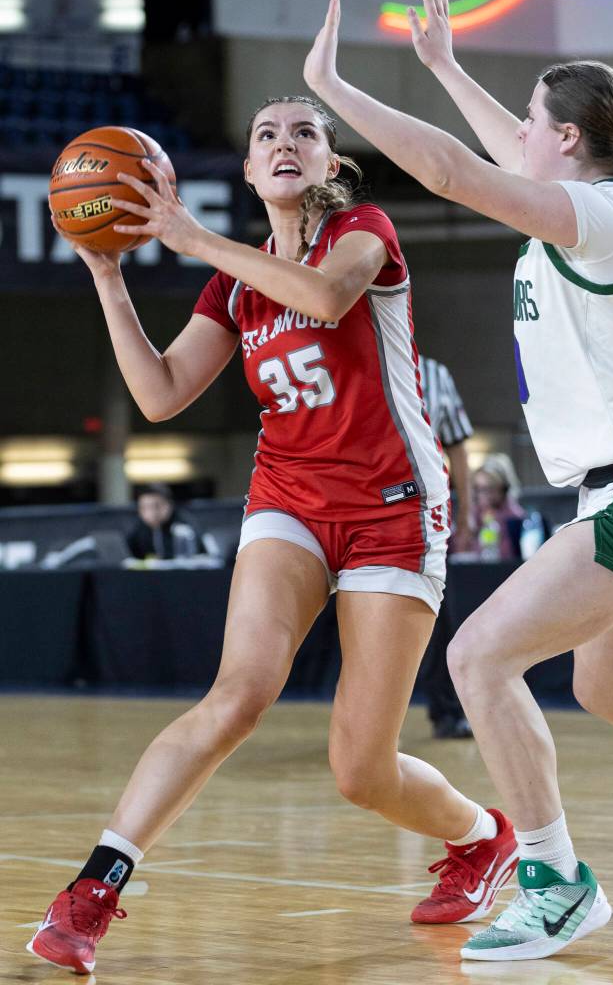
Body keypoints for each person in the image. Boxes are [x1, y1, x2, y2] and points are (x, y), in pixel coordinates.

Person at [303, 0, 613, 962]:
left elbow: (448, 169)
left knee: (479, 658)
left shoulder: (601, 217)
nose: (517, 131)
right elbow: (493, 153)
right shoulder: (594, 203)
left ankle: (554, 879)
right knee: (612, 687)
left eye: (530, 118)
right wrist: (443, 65)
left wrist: (334, 86)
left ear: (564, 139)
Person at [28, 95, 520, 974]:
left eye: (305, 132)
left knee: (360, 771)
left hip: (393, 510)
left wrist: (191, 238)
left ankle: (485, 838)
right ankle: (92, 892)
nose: (284, 143)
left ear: (330, 164)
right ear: (251, 173)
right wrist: (108, 276)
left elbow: (328, 300)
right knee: (237, 694)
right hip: (288, 498)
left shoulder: (363, 231)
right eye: (265, 135)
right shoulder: (232, 283)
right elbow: (160, 394)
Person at [417, 353, 474, 737]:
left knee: (441, 620)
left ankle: (447, 710)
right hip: (357, 506)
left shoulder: (435, 372)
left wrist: (467, 513)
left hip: (424, 515)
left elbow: (457, 449)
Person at [126, 482, 208, 561]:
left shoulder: (184, 526)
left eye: (156, 506)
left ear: (169, 505)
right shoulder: (138, 528)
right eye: (144, 507)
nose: (151, 513)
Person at [471, 454, 526, 561]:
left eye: (487, 489)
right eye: (477, 489)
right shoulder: (474, 514)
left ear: (502, 489)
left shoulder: (515, 517)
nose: (481, 495)